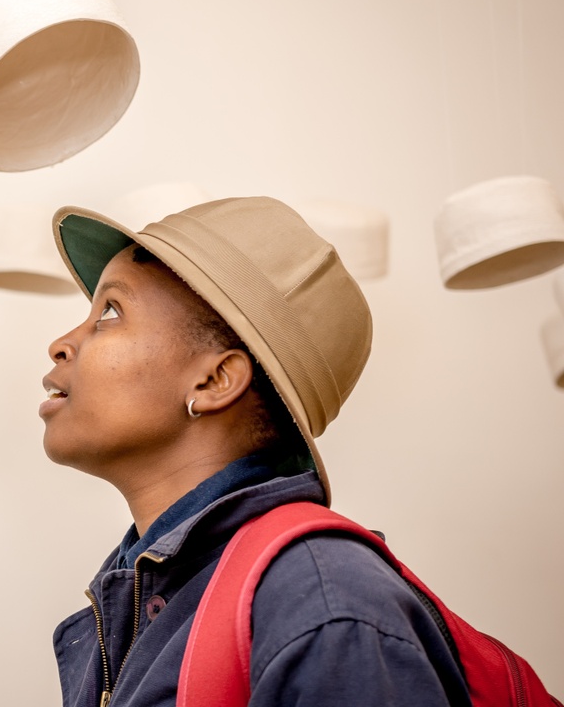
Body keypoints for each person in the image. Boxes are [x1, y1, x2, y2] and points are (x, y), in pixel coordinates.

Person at [40, 197, 469, 706]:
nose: (61, 344)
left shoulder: (319, 603)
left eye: (110, 310)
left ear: (216, 380)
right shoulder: (150, 596)